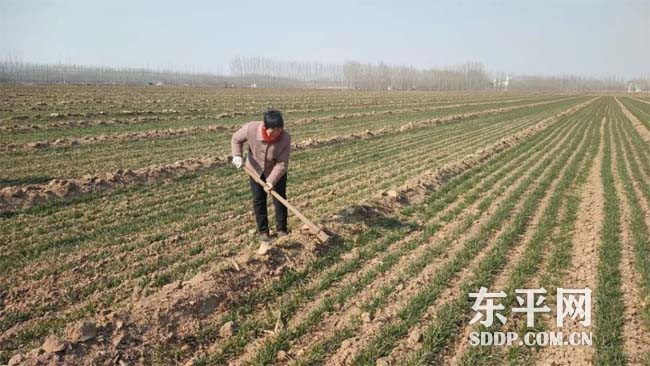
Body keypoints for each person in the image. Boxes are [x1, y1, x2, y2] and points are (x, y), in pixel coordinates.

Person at [231, 109, 291, 244]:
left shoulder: (285, 138)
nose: (277, 134)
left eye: (279, 130)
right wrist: (237, 155)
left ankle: (281, 229)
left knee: (280, 198)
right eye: (273, 131)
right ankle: (264, 232)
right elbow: (236, 139)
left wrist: (270, 182)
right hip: (255, 170)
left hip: (276, 171)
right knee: (258, 199)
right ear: (265, 127)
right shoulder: (251, 129)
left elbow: (282, 163)